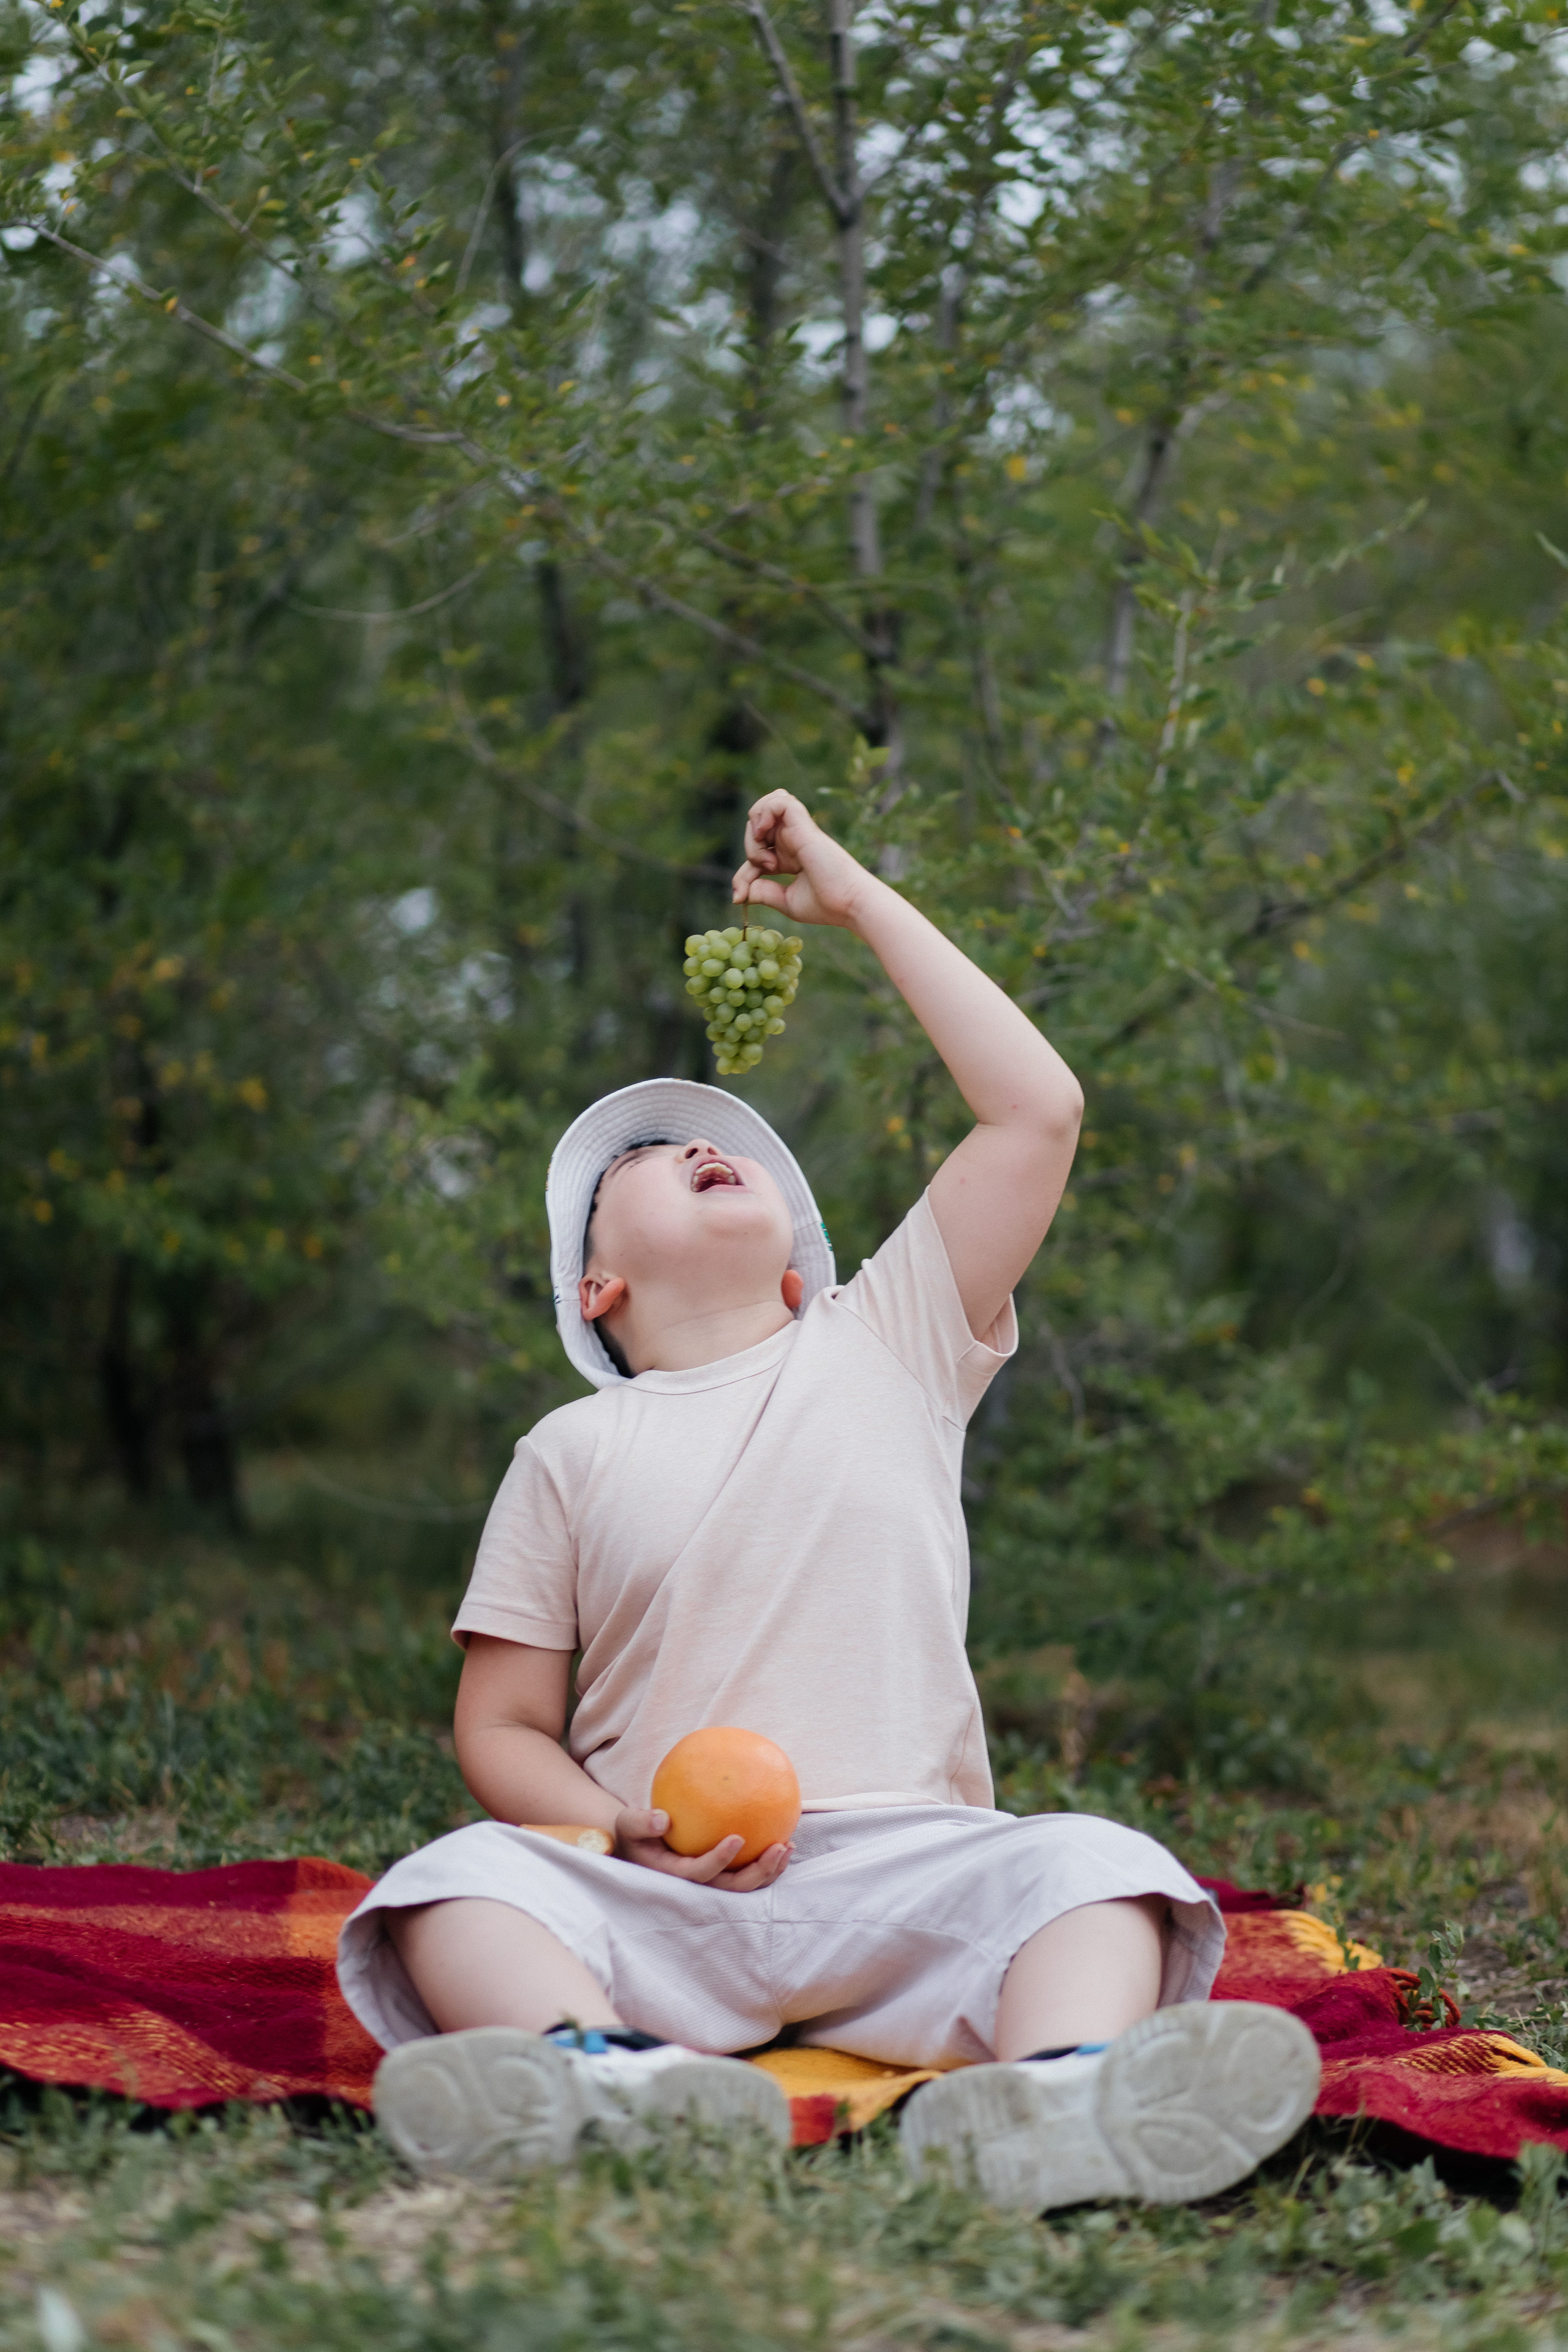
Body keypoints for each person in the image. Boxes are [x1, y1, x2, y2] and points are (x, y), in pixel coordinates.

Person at [337, 790, 1319, 2211]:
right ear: (595, 1286)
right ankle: (597, 2073)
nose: (694, 1148)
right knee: (451, 1886)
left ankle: (1059, 2092)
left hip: (904, 1877)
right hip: (658, 1891)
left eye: (716, 1146)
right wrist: (614, 1829)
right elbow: (499, 1727)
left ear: (800, 1269)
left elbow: (1036, 1111)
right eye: (638, 1162)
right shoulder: (568, 1447)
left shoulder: (888, 1342)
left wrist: (856, 901)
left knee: (1099, 1870)